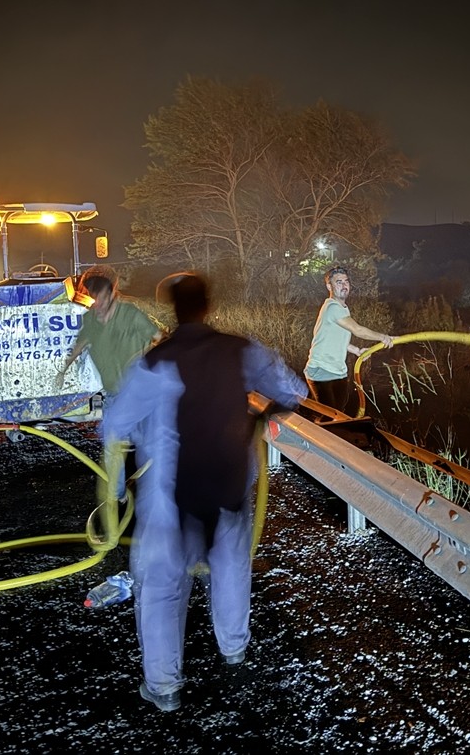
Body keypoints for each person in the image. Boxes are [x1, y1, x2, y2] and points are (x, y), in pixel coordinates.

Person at [102, 273, 308, 713]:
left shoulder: (155, 363)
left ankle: (164, 688)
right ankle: (233, 654)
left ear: (173, 311)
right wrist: (258, 412)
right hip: (229, 488)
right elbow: (295, 391)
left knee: (160, 589)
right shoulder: (242, 351)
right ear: (207, 307)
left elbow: (115, 425)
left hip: (170, 500)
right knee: (231, 573)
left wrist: (118, 489)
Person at [56, 271, 163, 401]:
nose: (98, 307)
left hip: (138, 393)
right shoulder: (90, 320)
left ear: (112, 294)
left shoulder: (131, 314)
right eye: (95, 301)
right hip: (112, 394)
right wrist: (62, 372)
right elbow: (78, 347)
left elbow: (161, 340)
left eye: (103, 301)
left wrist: (143, 362)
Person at [303, 265, 394, 412]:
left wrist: (357, 350)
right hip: (321, 369)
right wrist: (383, 337)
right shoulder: (333, 308)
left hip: (338, 371)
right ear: (329, 286)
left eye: (346, 281)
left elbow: (333, 338)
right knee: (329, 417)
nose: (344, 285)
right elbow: (358, 330)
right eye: (339, 282)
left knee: (337, 414)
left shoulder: (343, 309)